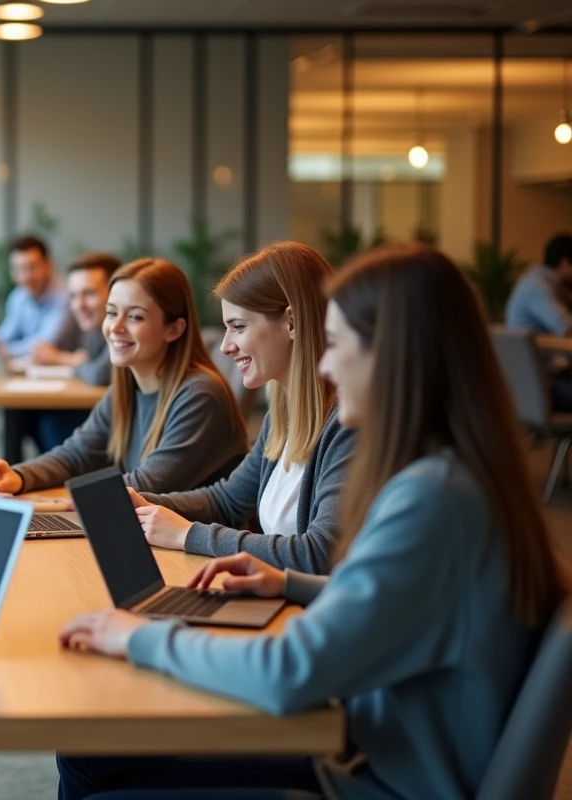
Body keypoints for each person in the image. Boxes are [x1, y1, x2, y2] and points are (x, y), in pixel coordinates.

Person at [55, 244, 564, 800]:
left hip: (372, 780)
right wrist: (289, 582)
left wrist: (144, 639)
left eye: (339, 343)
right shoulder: (457, 477)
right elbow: (401, 601)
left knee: (95, 763)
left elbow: (287, 672)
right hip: (373, 761)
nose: (323, 363)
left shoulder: (430, 500)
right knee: (92, 751)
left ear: (395, 355)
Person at [129, 242, 355, 575]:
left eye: (238, 327)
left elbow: (319, 554)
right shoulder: (283, 418)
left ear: (291, 322)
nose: (225, 346)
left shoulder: (348, 424)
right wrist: (143, 502)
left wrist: (187, 534)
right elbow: (228, 501)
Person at [0, 258, 247, 494]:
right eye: (111, 313)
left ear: (174, 329)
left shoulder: (200, 393)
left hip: (194, 546)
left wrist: (65, 500)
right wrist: (17, 475)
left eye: (135, 317)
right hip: (146, 533)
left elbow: (149, 484)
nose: (115, 327)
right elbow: (75, 455)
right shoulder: (126, 387)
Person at [30, 251, 120, 387]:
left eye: (89, 293)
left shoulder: (122, 332)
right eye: (73, 296)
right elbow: (88, 363)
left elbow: (99, 375)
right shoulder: (94, 331)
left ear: (117, 293)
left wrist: (71, 361)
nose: (79, 305)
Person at [504, 232, 572, 411]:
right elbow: (566, 328)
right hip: (540, 388)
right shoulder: (538, 287)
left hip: (528, 387)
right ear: (565, 264)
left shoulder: (536, 281)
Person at [0, 234, 71, 359]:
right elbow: (7, 333)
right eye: (18, 269)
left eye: (32, 267)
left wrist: (4, 350)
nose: (25, 276)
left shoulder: (65, 296)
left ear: (48, 265)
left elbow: (44, 343)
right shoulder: (18, 297)